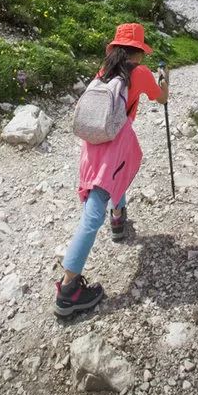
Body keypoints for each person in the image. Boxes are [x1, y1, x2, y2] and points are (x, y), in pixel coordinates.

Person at [55, 23, 169, 318]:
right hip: (115, 146)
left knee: (114, 180)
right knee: (93, 214)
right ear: (139, 52)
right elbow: (161, 97)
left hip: (92, 145)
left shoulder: (104, 70)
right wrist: (164, 82)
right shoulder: (139, 73)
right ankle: (69, 291)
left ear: (116, 48)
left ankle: (118, 220)